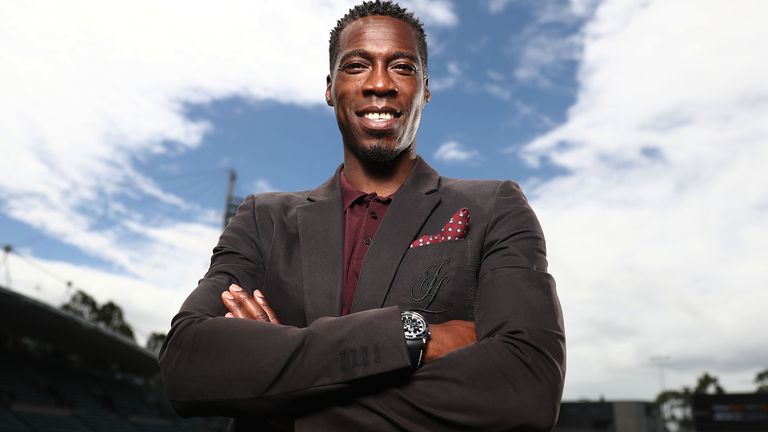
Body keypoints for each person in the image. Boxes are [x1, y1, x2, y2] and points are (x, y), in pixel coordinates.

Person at [159, 1, 565, 430]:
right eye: (357, 65)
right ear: (331, 87)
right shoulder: (263, 219)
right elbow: (186, 364)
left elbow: (526, 387)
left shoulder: (493, 208)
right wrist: (409, 336)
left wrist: (286, 403)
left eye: (402, 67)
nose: (379, 83)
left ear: (425, 88)